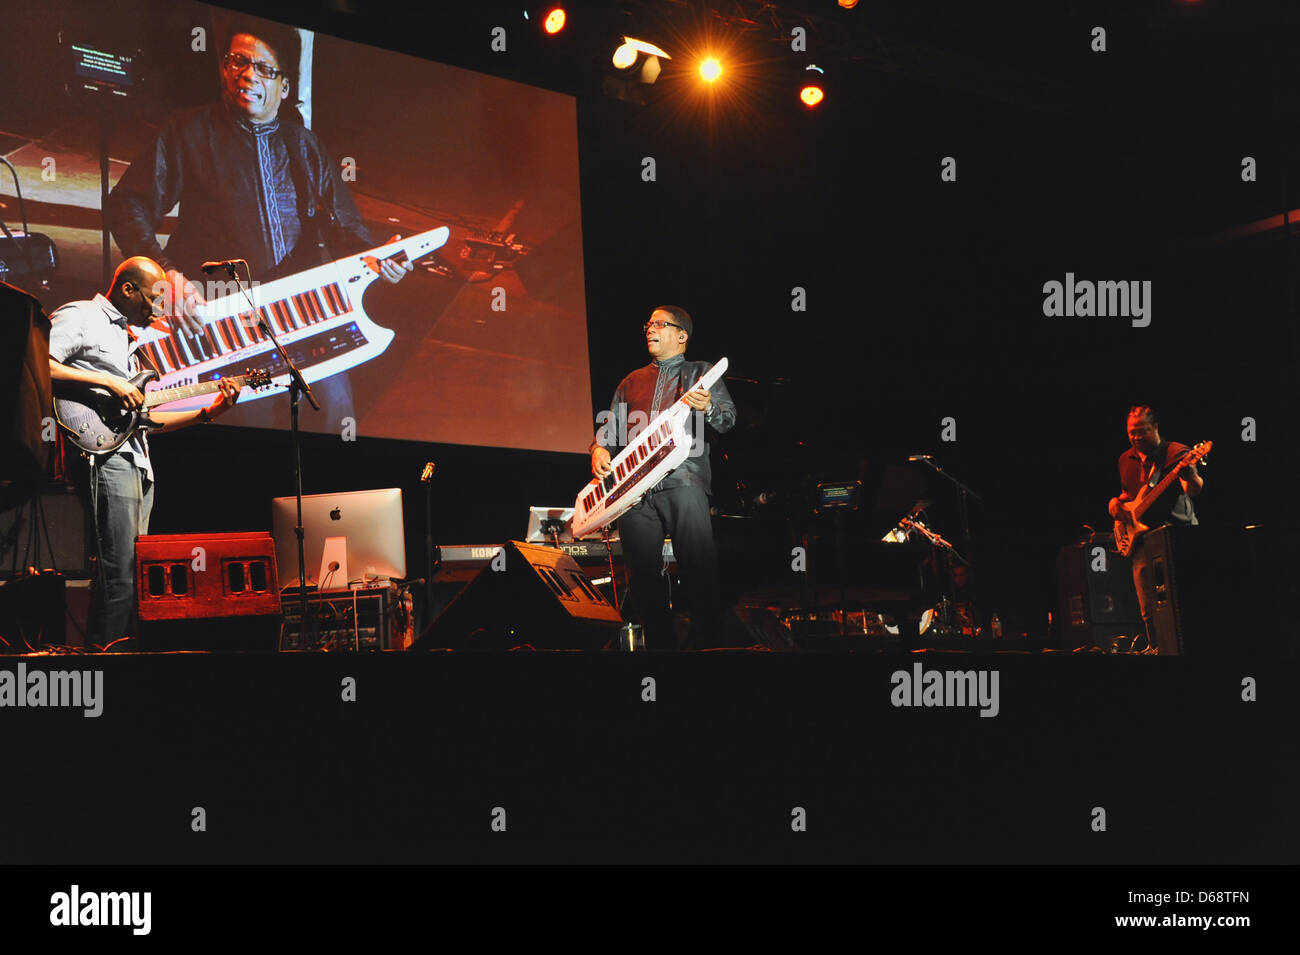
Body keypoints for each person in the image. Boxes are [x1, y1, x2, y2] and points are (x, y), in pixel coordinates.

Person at [104, 19, 410, 427]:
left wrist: (382, 260)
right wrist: (167, 277)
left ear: (284, 87)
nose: (248, 74)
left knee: (335, 416)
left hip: (304, 314)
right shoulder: (188, 131)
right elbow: (127, 204)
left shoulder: (304, 145)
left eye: (265, 68)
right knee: (249, 426)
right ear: (224, 69)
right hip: (217, 317)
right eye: (238, 62)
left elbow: (348, 234)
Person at [48, 256, 242, 650]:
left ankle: (124, 663)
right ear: (127, 289)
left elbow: (148, 420)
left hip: (137, 461)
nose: (158, 308)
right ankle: (106, 675)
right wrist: (107, 381)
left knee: (135, 580)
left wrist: (209, 412)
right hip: (104, 458)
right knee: (119, 577)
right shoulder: (81, 315)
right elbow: (40, 362)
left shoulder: (133, 345)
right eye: (153, 298)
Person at [590, 306, 737, 650]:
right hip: (634, 491)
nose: (650, 329)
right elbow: (609, 430)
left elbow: (727, 420)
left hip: (684, 481)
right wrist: (599, 450)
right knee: (641, 579)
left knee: (698, 568)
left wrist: (707, 408)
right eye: (648, 324)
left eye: (659, 324)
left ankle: (711, 647)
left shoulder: (701, 372)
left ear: (682, 335)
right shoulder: (630, 381)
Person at [1107, 405, 1203, 650]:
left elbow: (1193, 490)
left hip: (1176, 535)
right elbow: (1127, 495)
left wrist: (1191, 474)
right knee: (1148, 606)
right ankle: (1156, 648)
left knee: (1182, 602)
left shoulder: (1176, 452)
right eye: (1132, 432)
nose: (1136, 437)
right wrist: (1115, 506)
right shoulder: (1124, 459)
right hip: (1142, 540)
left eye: (1142, 431)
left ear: (1156, 427)